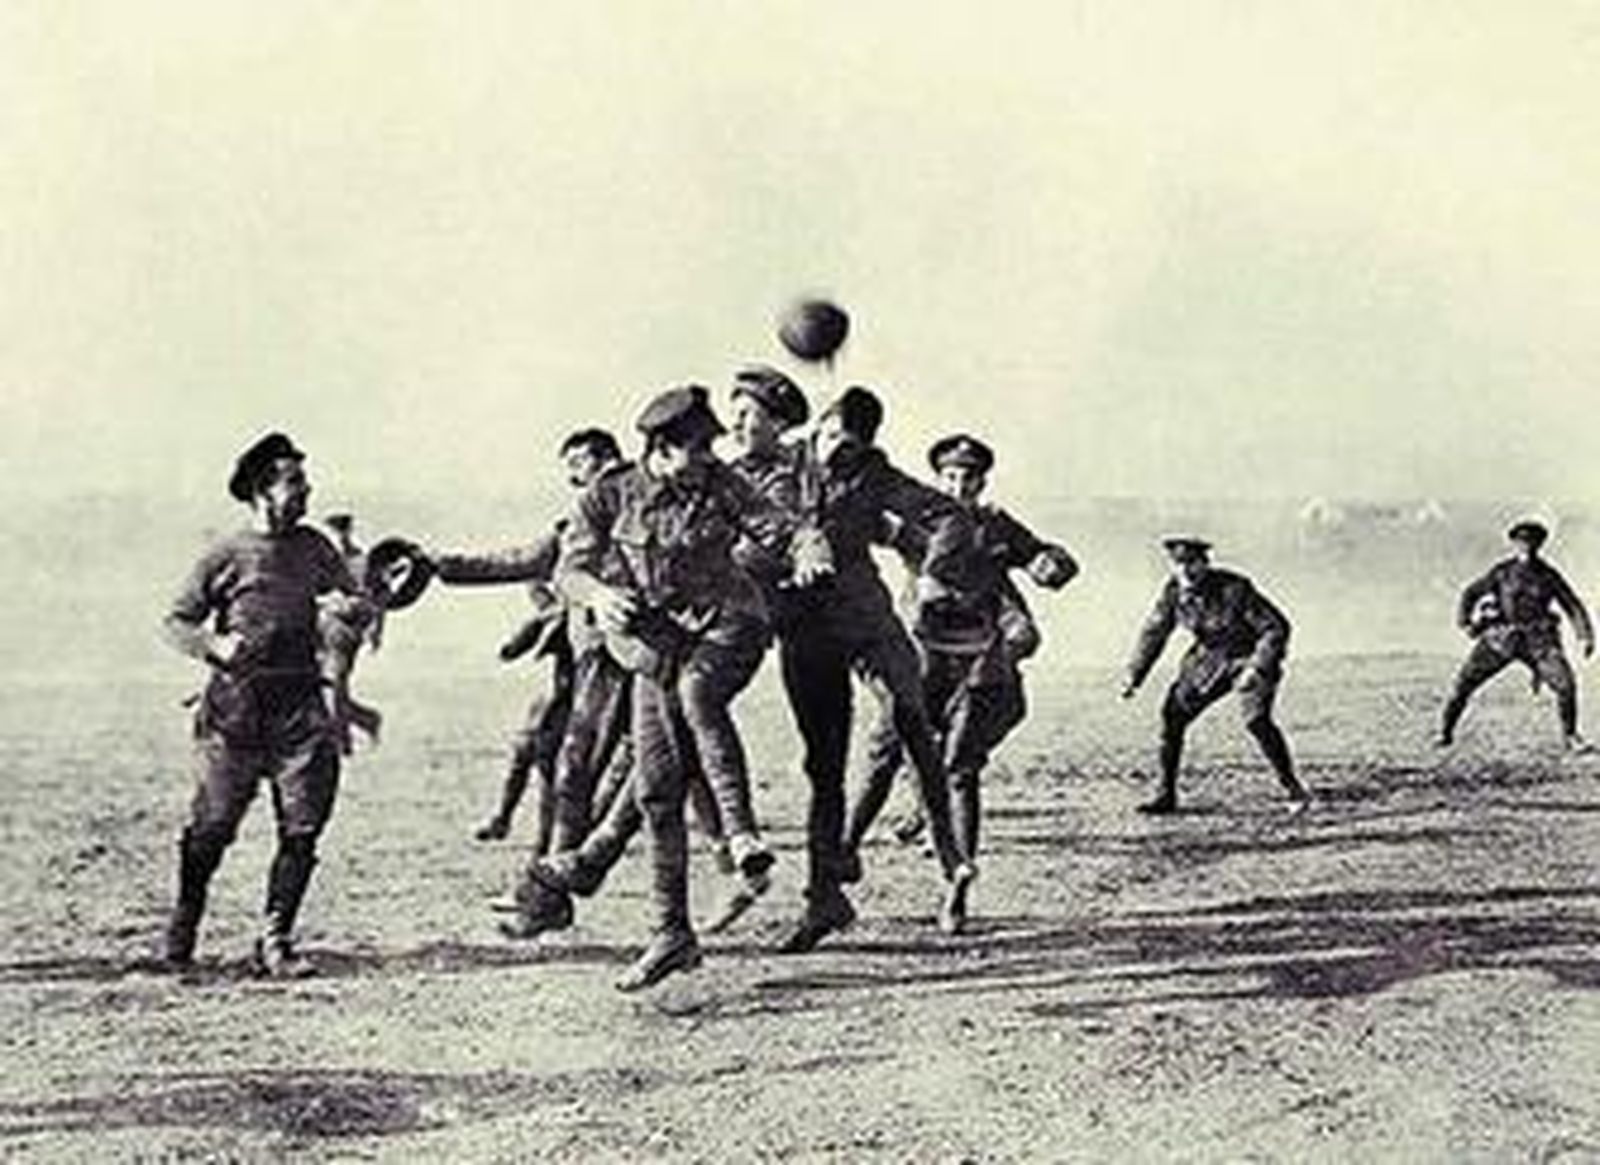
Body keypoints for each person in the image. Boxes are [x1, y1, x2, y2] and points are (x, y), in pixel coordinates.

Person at [533, 384, 811, 990]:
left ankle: (740, 835)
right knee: (659, 789)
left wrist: (807, 548)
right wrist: (600, 596)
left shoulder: (720, 484)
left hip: (730, 626)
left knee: (697, 698)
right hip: (656, 647)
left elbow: (781, 526)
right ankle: (671, 935)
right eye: (696, 448)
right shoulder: (610, 496)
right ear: (660, 449)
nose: (710, 457)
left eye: (713, 445)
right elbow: (568, 570)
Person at [775, 387, 979, 950]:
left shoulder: (874, 472)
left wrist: (933, 569)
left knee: (912, 718)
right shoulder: (781, 462)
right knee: (824, 763)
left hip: (867, 617)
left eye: (855, 445)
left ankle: (952, 858)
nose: (842, 452)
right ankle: (824, 896)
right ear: (820, 425)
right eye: (836, 438)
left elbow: (949, 516)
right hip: (805, 626)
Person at [160, 432, 370, 977]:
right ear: (262, 490)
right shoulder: (224, 555)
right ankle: (185, 921)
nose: (307, 491)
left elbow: (353, 601)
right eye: (295, 482)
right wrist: (213, 645)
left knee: (302, 828)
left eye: (306, 481)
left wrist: (350, 609)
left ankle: (275, 940)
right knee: (211, 827)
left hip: (299, 707)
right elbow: (176, 622)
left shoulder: (316, 547)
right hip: (233, 713)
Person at [842, 434, 1077, 873]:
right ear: (936, 480)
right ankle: (848, 847)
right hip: (922, 649)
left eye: (968, 478)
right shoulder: (922, 521)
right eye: (949, 477)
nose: (958, 486)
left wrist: (1052, 564)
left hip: (976, 650)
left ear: (982, 482)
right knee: (887, 748)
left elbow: (1041, 556)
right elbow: (867, 527)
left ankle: (947, 842)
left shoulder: (995, 524)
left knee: (967, 749)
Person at [443, 429, 627, 846]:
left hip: (608, 659)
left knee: (577, 765)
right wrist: (441, 565)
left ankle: (552, 869)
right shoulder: (593, 516)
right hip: (600, 659)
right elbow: (523, 564)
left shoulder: (627, 504)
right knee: (650, 765)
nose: (574, 480)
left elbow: (522, 562)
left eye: (578, 465)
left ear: (604, 457)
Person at [1122, 537, 1310, 815]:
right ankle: (1166, 795)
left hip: (1249, 654)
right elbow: (1155, 632)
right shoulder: (1173, 592)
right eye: (1179, 564)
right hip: (1208, 659)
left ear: (1205, 563)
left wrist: (1256, 668)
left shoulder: (1235, 588)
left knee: (1256, 720)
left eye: (1192, 563)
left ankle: (1292, 788)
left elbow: (1275, 628)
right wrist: (1134, 675)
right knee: (1172, 716)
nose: (1186, 571)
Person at [1439, 520, 1595, 751]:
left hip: (1539, 642)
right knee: (1462, 685)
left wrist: (1585, 635)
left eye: (1532, 542)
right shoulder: (1502, 572)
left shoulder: (1548, 575)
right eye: (1522, 542)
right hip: (1501, 639)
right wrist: (1465, 623)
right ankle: (1445, 734)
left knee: (1566, 685)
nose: (1527, 546)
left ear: (1540, 544)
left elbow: (1571, 604)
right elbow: (1471, 593)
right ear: (1514, 544)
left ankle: (1570, 737)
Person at [317, 512, 384, 755]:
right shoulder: (321, 559)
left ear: (349, 531)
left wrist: (375, 630)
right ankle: (365, 720)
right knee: (322, 685)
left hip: (347, 629)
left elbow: (378, 597)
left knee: (335, 682)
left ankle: (339, 743)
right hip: (317, 627)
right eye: (334, 532)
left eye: (342, 532)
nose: (338, 538)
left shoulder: (362, 561)